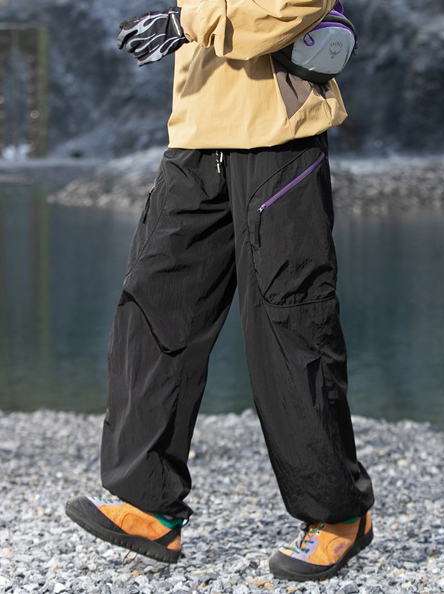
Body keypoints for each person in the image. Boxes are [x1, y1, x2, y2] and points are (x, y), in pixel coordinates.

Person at [65, 0, 375, 582]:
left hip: (279, 137)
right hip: (196, 134)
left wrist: (184, 21)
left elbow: (291, 7)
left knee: (289, 327)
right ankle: (149, 504)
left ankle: (338, 516)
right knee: (153, 309)